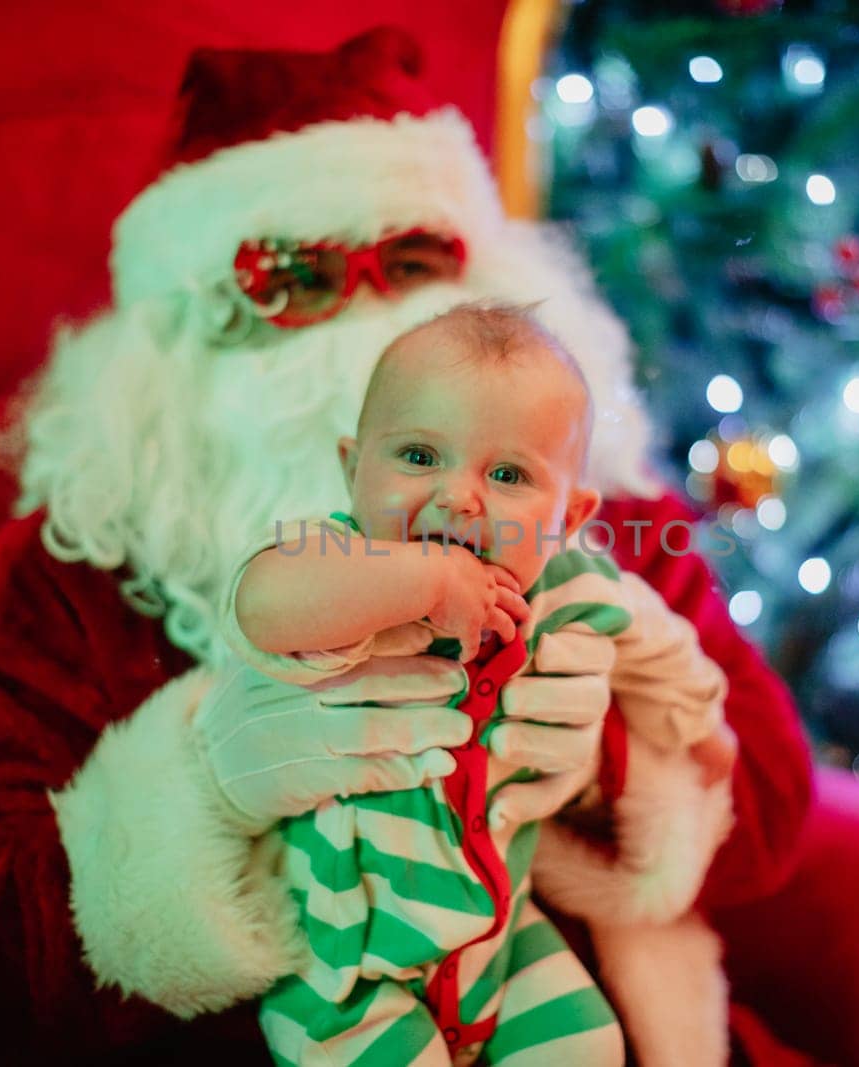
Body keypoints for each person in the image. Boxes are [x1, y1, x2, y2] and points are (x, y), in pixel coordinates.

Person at [0, 27, 811, 1066]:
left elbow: (774, 796)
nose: (369, 320)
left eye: (412, 263)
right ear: (174, 347)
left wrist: (606, 758)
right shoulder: (68, 571)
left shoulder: (578, 499)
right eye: (292, 282)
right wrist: (200, 796)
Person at [223, 304, 734, 1065]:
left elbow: (669, 652)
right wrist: (420, 578)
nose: (459, 497)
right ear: (351, 467)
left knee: (588, 1042)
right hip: (349, 962)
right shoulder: (335, 567)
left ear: (569, 517)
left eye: (507, 474)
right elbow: (261, 603)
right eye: (419, 456)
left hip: (500, 933)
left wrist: (703, 729)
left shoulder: (578, 591)